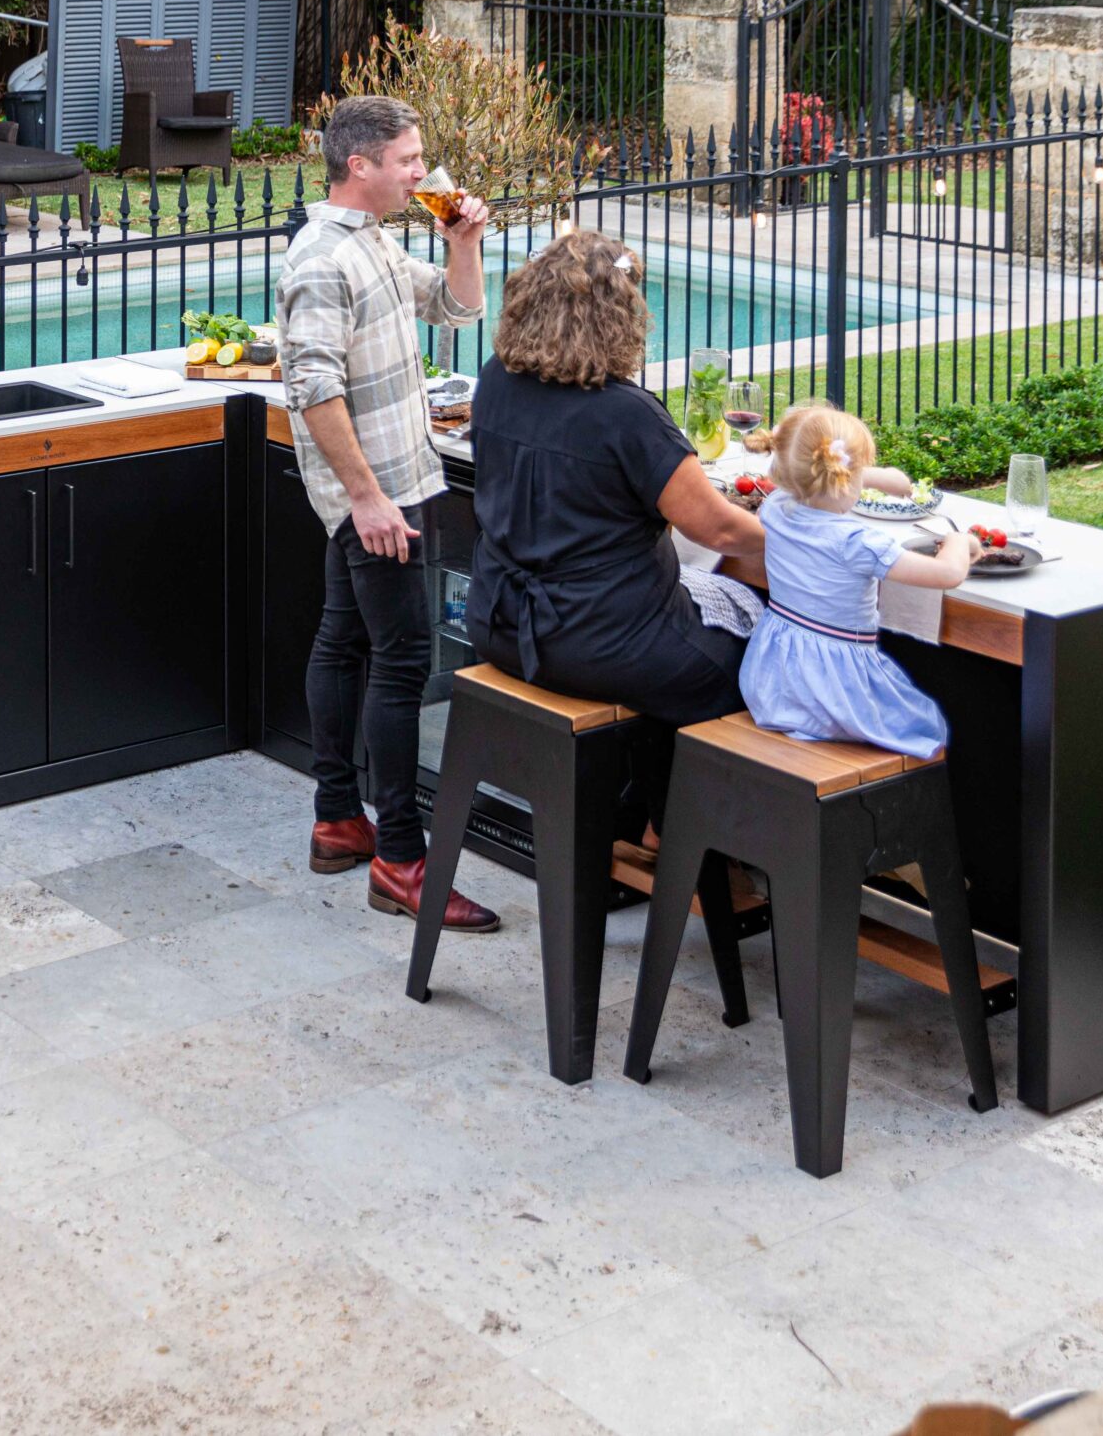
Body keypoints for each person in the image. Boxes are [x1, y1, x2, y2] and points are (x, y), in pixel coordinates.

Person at [281, 95, 499, 934]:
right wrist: (369, 498)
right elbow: (312, 388)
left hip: (397, 478)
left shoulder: (373, 240)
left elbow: (455, 307)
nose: (422, 172)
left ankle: (339, 821)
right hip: (378, 493)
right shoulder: (319, 262)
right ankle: (402, 861)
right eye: (409, 160)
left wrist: (465, 242)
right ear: (359, 165)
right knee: (403, 662)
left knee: (343, 638)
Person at [467, 232, 765, 729]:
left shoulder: (495, 378)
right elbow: (719, 531)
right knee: (765, 664)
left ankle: (629, 799)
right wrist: (797, 532)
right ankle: (660, 806)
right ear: (618, 317)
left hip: (498, 623)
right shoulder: (627, 414)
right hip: (602, 642)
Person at [740, 405, 982, 756]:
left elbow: (804, 482)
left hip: (774, 683)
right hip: (833, 697)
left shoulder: (775, 507)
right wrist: (961, 542)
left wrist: (873, 476)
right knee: (931, 727)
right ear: (842, 476)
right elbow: (947, 574)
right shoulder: (858, 542)